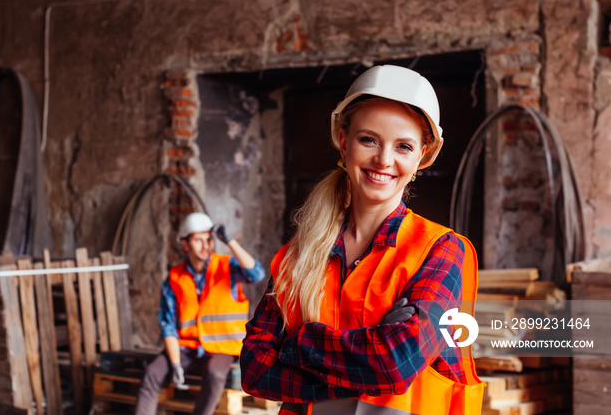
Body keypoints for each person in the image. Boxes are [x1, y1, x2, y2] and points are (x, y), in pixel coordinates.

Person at [240, 65, 485, 415]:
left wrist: (296, 344)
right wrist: (366, 356)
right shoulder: (298, 256)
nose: (384, 160)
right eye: (368, 139)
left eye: (403, 146)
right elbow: (253, 369)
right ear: (344, 141)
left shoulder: (440, 251)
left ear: (422, 157)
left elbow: (395, 364)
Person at [135, 212, 266, 415]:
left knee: (214, 374)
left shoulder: (226, 266)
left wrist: (229, 241)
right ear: (185, 244)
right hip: (187, 347)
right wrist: (176, 363)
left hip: (223, 346)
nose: (206, 245)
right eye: (198, 240)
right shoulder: (175, 278)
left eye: (208, 239)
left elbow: (256, 274)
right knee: (152, 372)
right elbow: (167, 325)